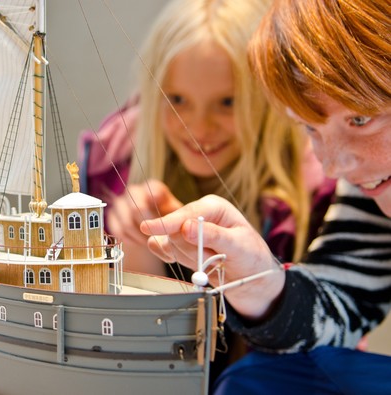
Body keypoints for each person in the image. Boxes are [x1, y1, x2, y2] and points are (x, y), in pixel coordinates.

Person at [141, 0, 391, 393]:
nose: (333, 166)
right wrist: (258, 279)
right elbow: (342, 301)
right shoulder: (370, 189)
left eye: (360, 119)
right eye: (309, 128)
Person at [78, 0, 334, 281]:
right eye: (176, 100)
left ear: (268, 100)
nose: (198, 129)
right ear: (152, 95)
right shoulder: (111, 163)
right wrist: (137, 244)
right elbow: (132, 319)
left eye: (227, 102)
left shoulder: (320, 190)